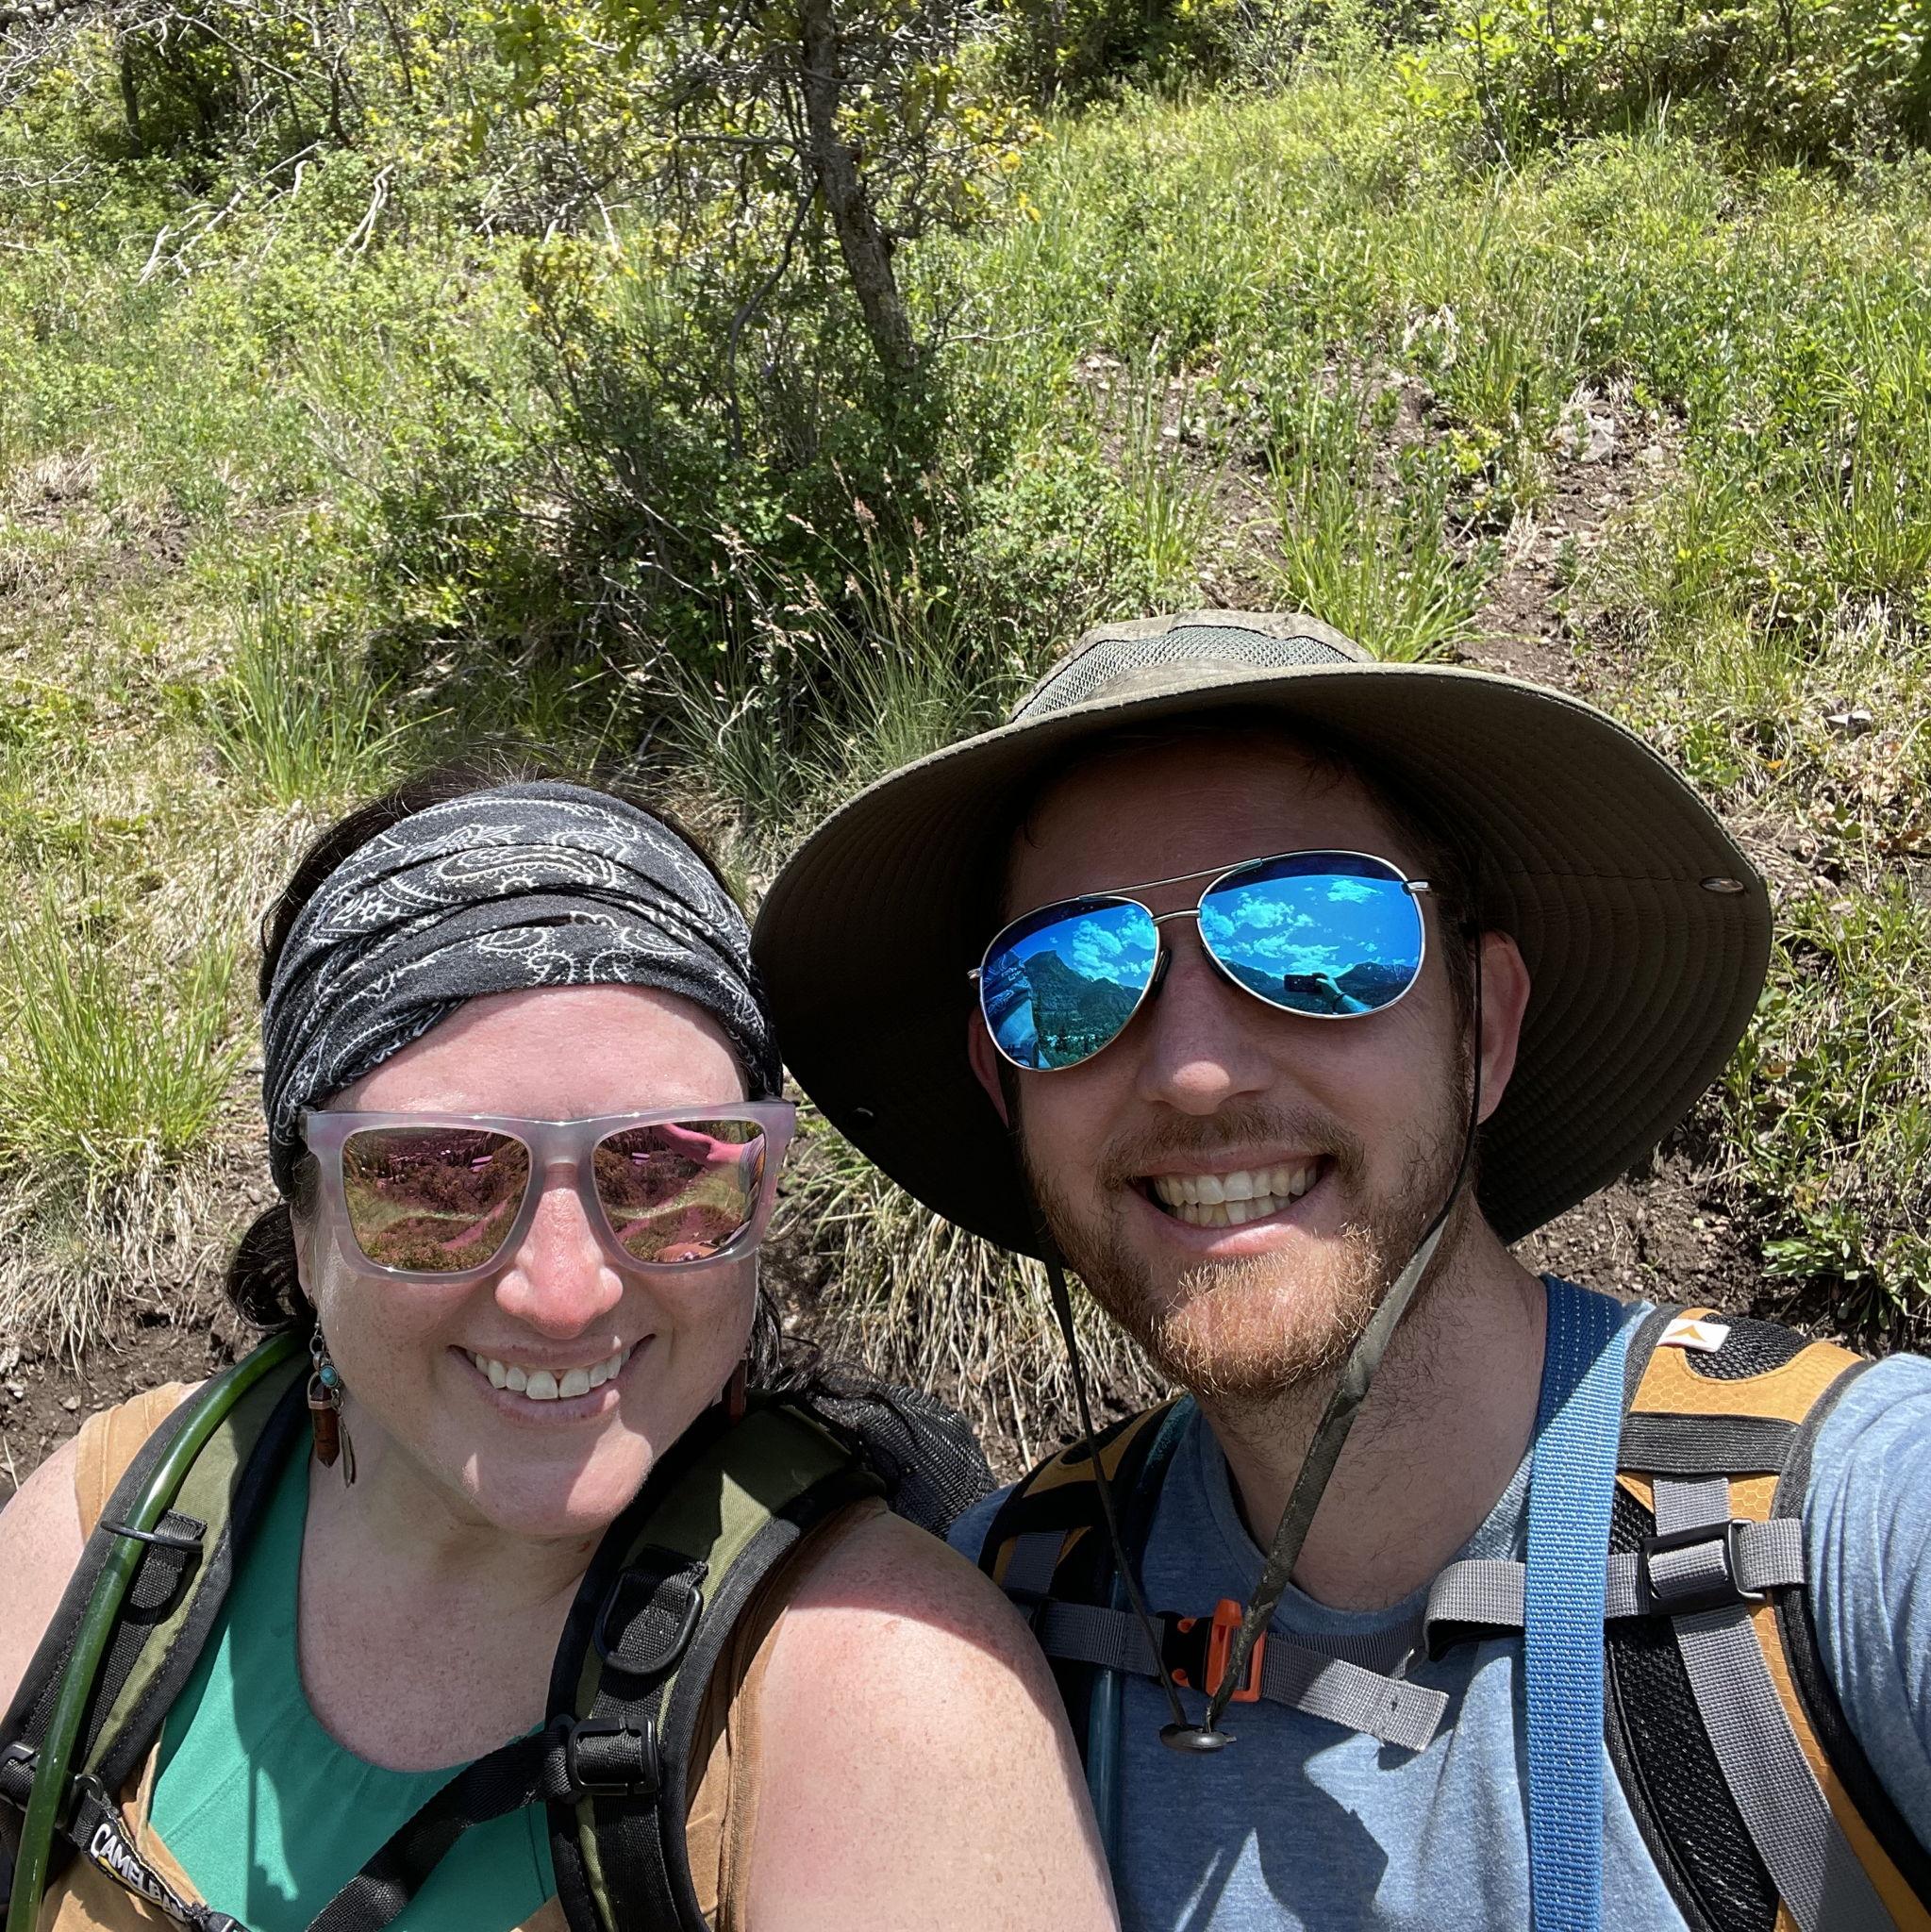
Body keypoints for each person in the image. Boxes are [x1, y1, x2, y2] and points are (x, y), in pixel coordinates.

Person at [753, 611, 1931, 1931]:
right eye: (1067, 983)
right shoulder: (981, 1629)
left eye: (1312, 937)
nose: (1194, 1070)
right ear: (1002, 1084)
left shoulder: (1841, 1542)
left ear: (1482, 1028)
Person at [0, 769, 1116, 1932]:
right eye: (437, 1176)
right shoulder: (102, 1533)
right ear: (305, 1216)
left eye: (668, 1168)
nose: (565, 1294)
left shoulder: (886, 1701)